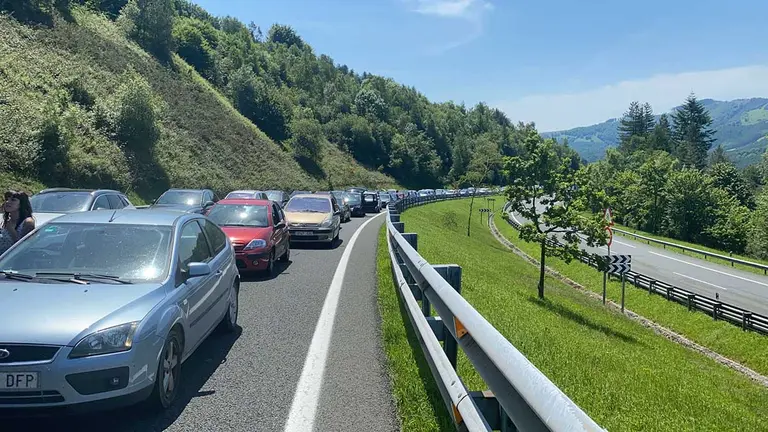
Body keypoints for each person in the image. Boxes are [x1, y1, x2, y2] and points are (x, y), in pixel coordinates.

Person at [0, 191, 36, 255]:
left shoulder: (28, 222)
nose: (7, 202)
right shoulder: (6, 221)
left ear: (21, 204)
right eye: (6, 199)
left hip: (12, 260)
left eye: (13, 200)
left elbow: (23, 247)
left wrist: (11, 230)